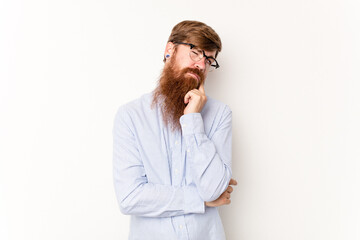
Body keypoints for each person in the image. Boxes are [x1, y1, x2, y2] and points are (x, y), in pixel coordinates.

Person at [112, 20, 237, 240]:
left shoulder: (220, 115)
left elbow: (214, 190)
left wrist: (192, 121)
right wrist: (200, 201)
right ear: (170, 49)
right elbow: (130, 197)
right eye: (196, 53)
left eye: (209, 60)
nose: (201, 65)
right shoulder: (131, 116)